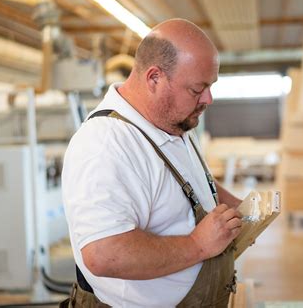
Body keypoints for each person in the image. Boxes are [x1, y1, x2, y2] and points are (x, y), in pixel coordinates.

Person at [61, 18, 243, 307]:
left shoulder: (172, 120)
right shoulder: (105, 144)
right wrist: (198, 244)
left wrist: (238, 208)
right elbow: (104, 253)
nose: (208, 98)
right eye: (197, 89)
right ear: (154, 78)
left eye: (210, 86)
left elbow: (187, 179)